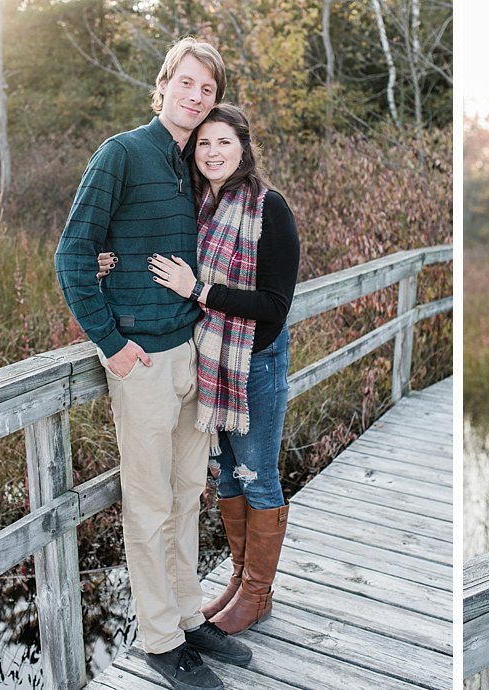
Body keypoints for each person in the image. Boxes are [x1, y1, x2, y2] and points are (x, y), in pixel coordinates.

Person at [56, 38, 251, 690]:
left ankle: (190, 617)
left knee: (187, 497)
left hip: (192, 352)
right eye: (187, 83)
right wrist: (111, 344)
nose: (196, 97)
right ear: (164, 83)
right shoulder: (121, 153)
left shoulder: (194, 164)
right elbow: (73, 254)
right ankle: (161, 641)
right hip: (142, 361)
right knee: (147, 506)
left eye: (207, 90)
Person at [143, 103, 300, 635]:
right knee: (228, 475)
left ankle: (259, 593)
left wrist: (200, 292)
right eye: (204, 143)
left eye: (223, 143)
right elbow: (156, 256)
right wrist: (107, 260)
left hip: (254, 362)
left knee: (257, 477)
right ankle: (238, 580)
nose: (212, 152)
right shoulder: (198, 207)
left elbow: (275, 305)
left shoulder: (268, 208)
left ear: (243, 148)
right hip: (211, 362)